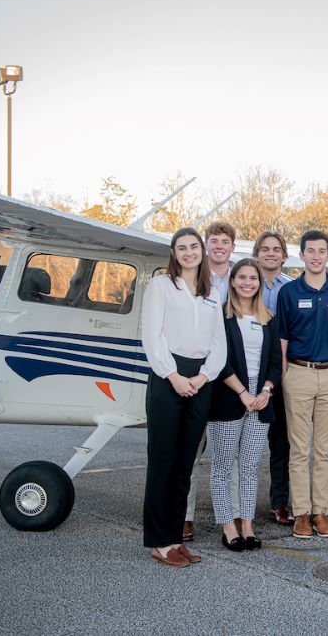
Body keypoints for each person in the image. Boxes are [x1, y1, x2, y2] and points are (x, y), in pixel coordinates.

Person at [141, 227, 226, 567]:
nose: (189, 252)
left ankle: (176, 538)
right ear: (174, 253)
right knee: (163, 461)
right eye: (182, 247)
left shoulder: (211, 294)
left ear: (202, 251)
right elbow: (152, 334)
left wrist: (204, 376)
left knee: (185, 464)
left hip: (200, 378)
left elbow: (218, 342)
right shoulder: (162, 285)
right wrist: (172, 375)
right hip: (168, 376)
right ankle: (159, 542)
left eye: (194, 247)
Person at [277, 230, 328, 539]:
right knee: (299, 449)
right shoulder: (289, 292)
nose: (316, 256)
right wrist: (283, 372)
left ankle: (322, 512)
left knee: (324, 450)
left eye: (322, 251)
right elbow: (281, 336)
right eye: (310, 251)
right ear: (302, 255)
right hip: (298, 373)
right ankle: (301, 513)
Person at [208, 259, 282, 552]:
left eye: (253, 278)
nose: (248, 282)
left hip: (260, 398)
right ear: (233, 281)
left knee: (250, 467)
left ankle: (248, 526)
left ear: (259, 283)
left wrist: (266, 391)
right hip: (229, 395)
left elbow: (276, 361)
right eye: (242, 277)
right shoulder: (221, 317)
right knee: (223, 467)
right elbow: (218, 361)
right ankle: (228, 527)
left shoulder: (269, 319)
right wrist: (242, 392)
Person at [183, 221, 237, 542]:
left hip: (231, 377)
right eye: (213, 241)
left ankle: (229, 518)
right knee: (191, 450)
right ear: (206, 246)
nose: (219, 246)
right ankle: (184, 516)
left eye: (225, 242)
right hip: (198, 373)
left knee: (227, 454)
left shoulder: (243, 278)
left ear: (232, 247)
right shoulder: (193, 278)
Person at [253, 231, 295, 527]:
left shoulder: (292, 289)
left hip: (281, 373)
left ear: (284, 256)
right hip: (248, 373)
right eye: (265, 249)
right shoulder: (244, 283)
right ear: (257, 254)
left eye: (276, 249)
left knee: (281, 444)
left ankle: (279, 502)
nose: (270, 253)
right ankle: (239, 505)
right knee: (246, 444)